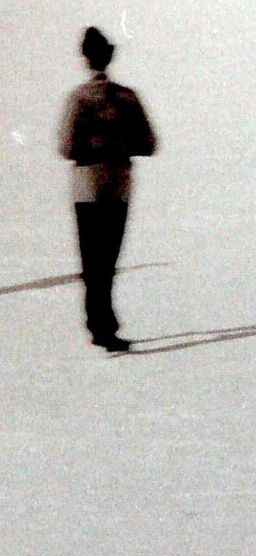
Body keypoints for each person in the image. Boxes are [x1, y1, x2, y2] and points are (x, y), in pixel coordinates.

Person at [58, 26, 157, 353]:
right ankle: (104, 323)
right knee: (109, 257)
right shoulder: (127, 97)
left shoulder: (78, 98)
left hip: (86, 187)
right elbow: (149, 143)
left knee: (91, 258)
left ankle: (99, 323)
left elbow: (67, 147)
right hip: (118, 185)